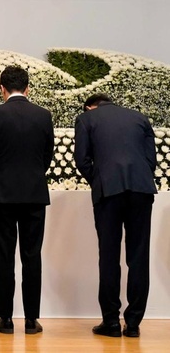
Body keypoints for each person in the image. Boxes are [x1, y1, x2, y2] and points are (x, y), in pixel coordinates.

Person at [74, 93, 157, 338]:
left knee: (109, 256)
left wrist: (99, 180)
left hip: (108, 192)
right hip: (141, 190)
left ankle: (110, 322)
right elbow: (151, 160)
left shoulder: (86, 119)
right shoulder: (139, 118)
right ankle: (133, 323)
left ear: (89, 107)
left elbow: (82, 160)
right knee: (138, 256)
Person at [0, 66, 54, 335]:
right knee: (32, 256)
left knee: (4, 256)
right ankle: (32, 319)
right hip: (34, 194)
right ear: (27, 88)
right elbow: (47, 155)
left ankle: (6, 319)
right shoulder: (43, 115)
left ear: (2, 88)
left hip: (3, 195)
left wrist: (0, 179)